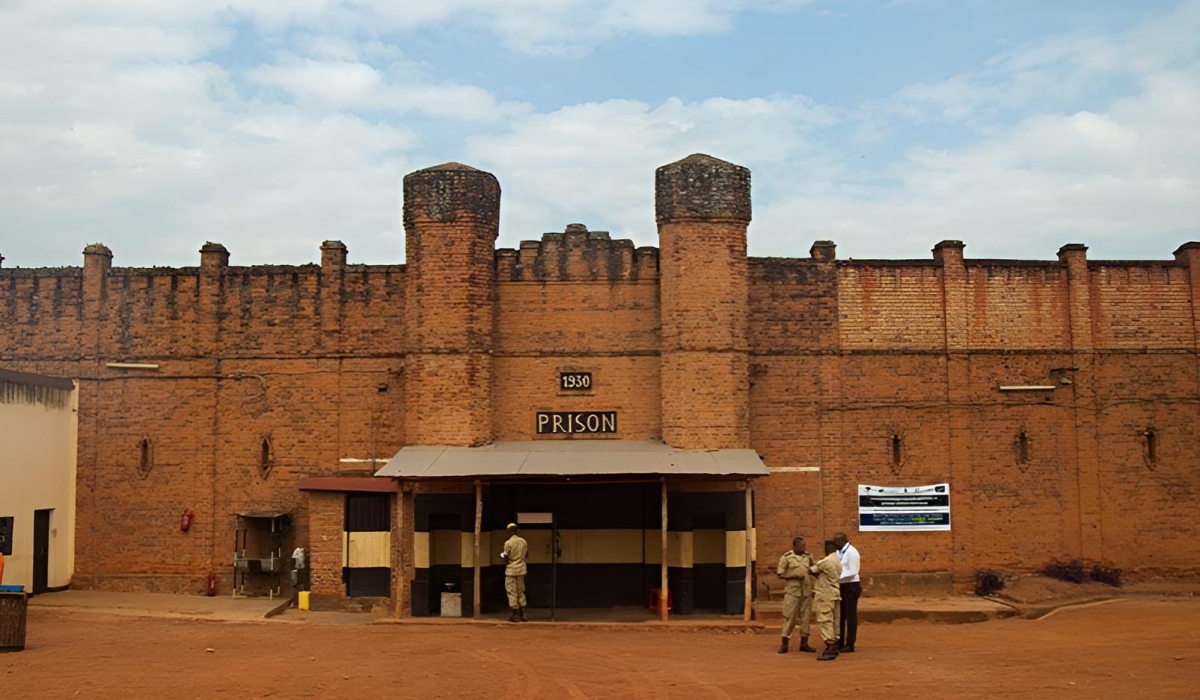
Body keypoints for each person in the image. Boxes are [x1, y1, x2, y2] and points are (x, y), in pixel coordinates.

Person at [775, 536, 816, 654]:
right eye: (800, 546)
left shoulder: (808, 557)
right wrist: (794, 576)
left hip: (806, 591)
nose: (803, 548)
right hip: (792, 592)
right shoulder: (786, 557)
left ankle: (804, 643)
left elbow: (814, 569)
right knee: (790, 617)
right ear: (794, 547)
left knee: (806, 618)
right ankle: (785, 643)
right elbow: (780, 574)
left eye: (804, 546)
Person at [809, 540, 843, 661]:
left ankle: (830, 646)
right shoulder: (837, 560)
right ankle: (834, 643)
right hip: (835, 592)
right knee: (835, 620)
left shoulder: (826, 561)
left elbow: (811, 570)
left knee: (825, 619)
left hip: (825, 594)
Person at [833, 532, 861, 653]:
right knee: (841, 615)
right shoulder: (838, 552)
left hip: (851, 585)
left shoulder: (852, 552)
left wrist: (837, 577)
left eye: (836, 541)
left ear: (843, 541)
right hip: (841, 586)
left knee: (850, 616)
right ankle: (840, 641)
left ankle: (850, 644)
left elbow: (853, 571)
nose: (835, 544)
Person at [500, 522, 529, 622]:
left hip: (511, 570)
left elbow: (506, 556)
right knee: (521, 590)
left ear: (509, 531)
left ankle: (515, 613)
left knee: (512, 591)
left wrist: (504, 558)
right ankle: (523, 612)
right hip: (521, 569)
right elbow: (526, 554)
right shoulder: (523, 542)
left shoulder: (508, 543)